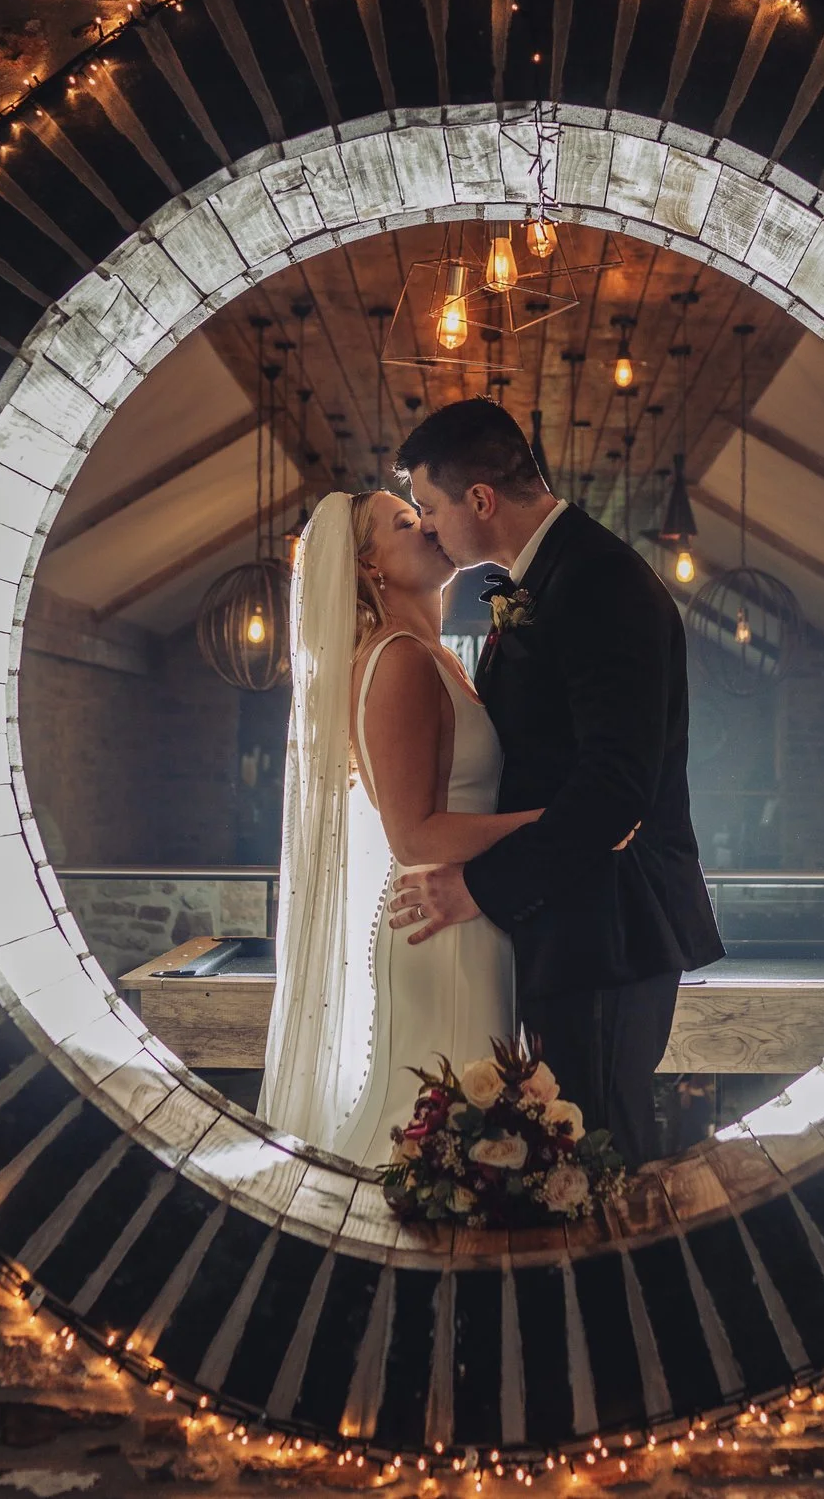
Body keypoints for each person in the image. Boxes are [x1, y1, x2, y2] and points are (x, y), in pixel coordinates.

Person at [389, 398, 724, 1163]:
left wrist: (484, 886)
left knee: (604, 1153)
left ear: (479, 498)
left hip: (610, 926)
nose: (429, 525)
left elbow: (615, 788)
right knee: (570, 1155)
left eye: (429, 506)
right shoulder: (550, 576)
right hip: (570, 922)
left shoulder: (601, 581)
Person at [256, 489, 541, 1164]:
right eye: (405, 523)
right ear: (369, 566)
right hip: (441, 928)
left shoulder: (432, 654)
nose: (428, 528)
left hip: (469, 913)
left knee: (470, 1140)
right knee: (443, 1143)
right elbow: (412, 835)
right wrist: (553, 823)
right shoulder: (400, 660)